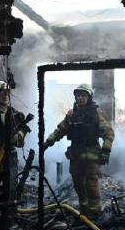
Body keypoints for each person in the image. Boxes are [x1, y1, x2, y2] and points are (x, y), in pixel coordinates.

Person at [43, 84, 114, 219]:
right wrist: (48, 142)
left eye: (83, 95)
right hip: (76, 155)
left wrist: (106, 151)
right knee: (78, 184)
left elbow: (108, 133)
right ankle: (84, 213)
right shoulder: (72, 114)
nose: (80, 98)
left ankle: (95, 214)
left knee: (91, 184)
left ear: (89, 97)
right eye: (78, 95)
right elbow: (60, 130)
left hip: (91, 155)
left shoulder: (96, 113)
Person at [0, 81, 31, 197]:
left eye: (8, 93)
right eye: (3, 93)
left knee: (11, 180)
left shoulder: (13, 111)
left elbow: (23, 129)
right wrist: (13, 118)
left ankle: (9, 202)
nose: (6, 96)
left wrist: (19, 135)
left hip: (10, 152)